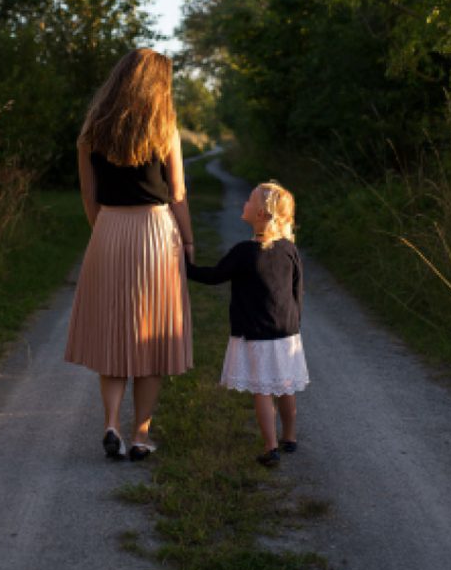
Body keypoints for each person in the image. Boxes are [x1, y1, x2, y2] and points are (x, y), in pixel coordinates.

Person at [64, 48, 194, 462]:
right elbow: (176, 194)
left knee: (114, 336)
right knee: (150, 339)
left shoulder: (92, 130)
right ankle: (140, 435)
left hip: (109, 230)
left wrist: (103, 231)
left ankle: (110, 426)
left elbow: (88, 194)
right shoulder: (164, 128)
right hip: (155, 231)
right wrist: (188, 242)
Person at [186, 181, 309, 467]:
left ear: (262, 214)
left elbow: (214, 275)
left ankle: (270, 447)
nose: (244, 203)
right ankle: (289, 438)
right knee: (286, 386)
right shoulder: (290, 250)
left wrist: (183, 267)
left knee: (263, 391)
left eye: (249, 200)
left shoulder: (243, 252)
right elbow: (297, 290)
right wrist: (294, 324)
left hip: (255, 334)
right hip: (286, 333)